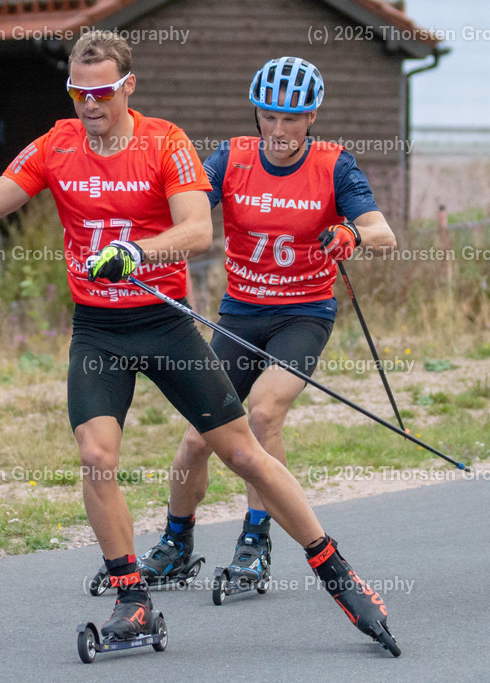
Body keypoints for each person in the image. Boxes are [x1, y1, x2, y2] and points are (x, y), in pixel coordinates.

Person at [0, 35, 392, 648]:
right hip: (99, 328)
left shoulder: (166, 143)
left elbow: (196, 230)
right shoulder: (57, 142)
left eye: (101, 92)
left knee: (243, 447)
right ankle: (134, 599)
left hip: (167, 322)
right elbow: (3, 191)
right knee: (97, 457)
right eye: (79, 92)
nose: (89, 104)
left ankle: (335, 571)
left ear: (128, 86)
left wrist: (135, 252)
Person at [137, 54, 397, 619]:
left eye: (292, 118)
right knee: (194, 439)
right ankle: (176, 541)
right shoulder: (231, 157)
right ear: (257, 115)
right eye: (269, 117)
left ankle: (256, 540)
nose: (279, 131)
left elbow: (385, 234)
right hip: (239, 314)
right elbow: (184, 211)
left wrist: (352, 230)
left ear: (311, 118)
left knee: (262, 414)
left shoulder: (334, 165)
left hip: (302, 316)